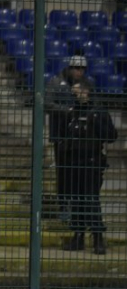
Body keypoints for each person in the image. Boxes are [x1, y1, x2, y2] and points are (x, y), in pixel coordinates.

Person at [56, 81, 117, 254]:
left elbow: (111, 135)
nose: (75, 95)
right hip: (74, 163)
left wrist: (96, 124)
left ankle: (97, 237)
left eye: (78, 91)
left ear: (86, 91)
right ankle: (78, 236)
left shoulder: (98, 112)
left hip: (91, 163)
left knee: (91, 200)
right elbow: (62, 136)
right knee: (77, 201)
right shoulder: (71, 113)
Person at [46, 56, 87, 224]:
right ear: (69, 68)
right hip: (61, 136)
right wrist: (67, 111)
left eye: (81, 69)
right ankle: (64, 205)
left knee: (78, 174)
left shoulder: (85, 84)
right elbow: (47, 104)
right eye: (76, 68)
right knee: (63, 172)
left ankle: (77, 207)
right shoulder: (55, 82)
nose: (79, 72)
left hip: (80, 137)